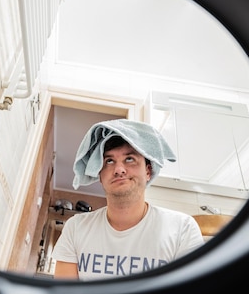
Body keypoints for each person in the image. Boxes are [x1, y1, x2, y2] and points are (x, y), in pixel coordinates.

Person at [52, 118, 204, 281]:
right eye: (109, 161)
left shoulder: (182, 229)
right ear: (100, 175)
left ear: (148, 171)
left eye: (129, 159)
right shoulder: (75, 228)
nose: (119, 170)